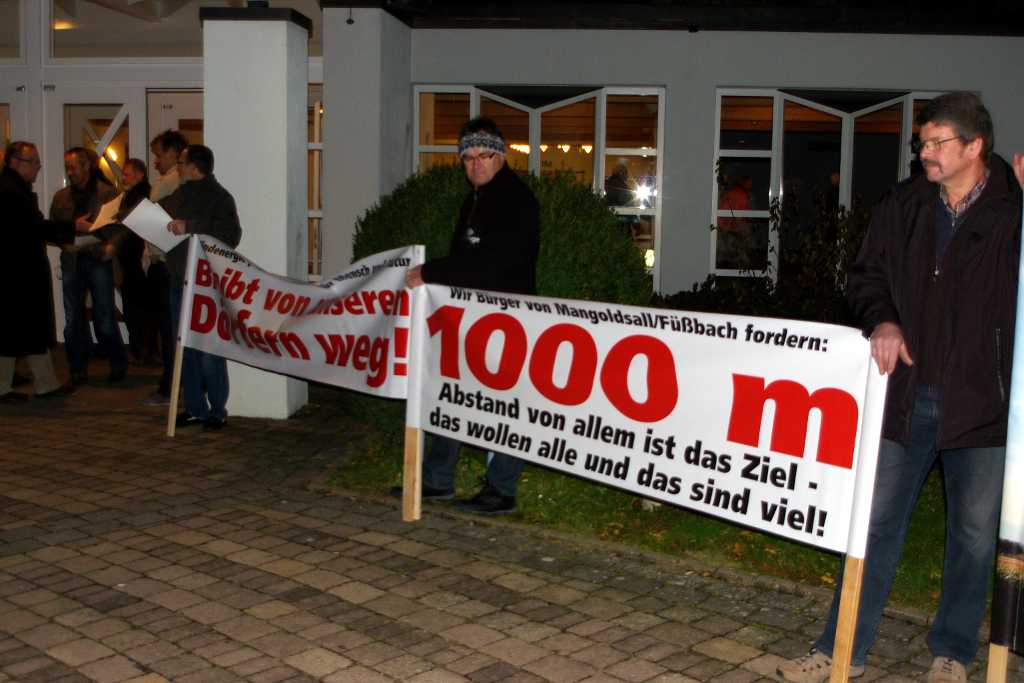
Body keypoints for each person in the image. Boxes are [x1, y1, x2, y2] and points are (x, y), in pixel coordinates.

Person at [778, 92, 1023, 683]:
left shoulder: (1012, 212)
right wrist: (882, 319)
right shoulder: (906, 203)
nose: (925, 153)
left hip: (984, 407)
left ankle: (953, 653)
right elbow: (866, 276)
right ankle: (843, 649)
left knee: (971, 538)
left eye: (938, 143)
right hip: (905, 397)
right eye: (923, 142)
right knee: (875, 526)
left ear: (975, 147)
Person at [403, 116, 540, 515]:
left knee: (501, 404)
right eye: (468, 158)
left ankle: (501, 489)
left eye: (484, 156)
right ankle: (436, 481)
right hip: (471, 318)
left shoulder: (516, 201)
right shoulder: (476, 198)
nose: (475, 165)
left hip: (505, 319)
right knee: (451, 395)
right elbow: (466, 255)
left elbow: (490, 264)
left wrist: (430, 272)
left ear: (501, 157)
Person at [162, 144, 242, 430]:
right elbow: (162, 219)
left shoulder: (220, 198)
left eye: (181, 163)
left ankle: (217, 410)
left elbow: (230, 235)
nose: (178, 168)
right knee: (185, 348)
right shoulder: (179, 195)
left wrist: (190, 226)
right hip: (178, 280)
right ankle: (194, 407)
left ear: (195, 167)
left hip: (205, 284)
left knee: (209, 348)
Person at [0, 142, 75, 403]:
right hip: (18, 272)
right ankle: (41, 384)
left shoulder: (11, 188)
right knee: (23, 327)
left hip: (15, 271)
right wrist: (72, 227)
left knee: (17, 329)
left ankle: (42, 383)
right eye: (34, 162)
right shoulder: (11, 191)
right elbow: (33, 227)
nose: (38, 167)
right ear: (15, 162)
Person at [51, 147, 125, 386]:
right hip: (72, 260)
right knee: (73, 319)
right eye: (67, 168)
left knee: (104, 315)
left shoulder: (108, 193)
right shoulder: (61, 197)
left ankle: (117, 363)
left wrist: (110, 245)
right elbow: (52, 229)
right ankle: (77, 367)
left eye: (73, 167)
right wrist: (68, 234)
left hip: (97, 259)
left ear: (87, 166)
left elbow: (121, 229)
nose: (70, 172)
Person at [144, 130, 189, 406]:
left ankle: (170, 386)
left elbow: (158, 215)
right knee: (167, 327)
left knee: (171, 329)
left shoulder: (175, 182)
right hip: (162, 260)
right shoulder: (171, 182)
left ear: (174, 153)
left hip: (167, 262)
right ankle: (169, 384)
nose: (156, 161)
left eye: (159, 154)